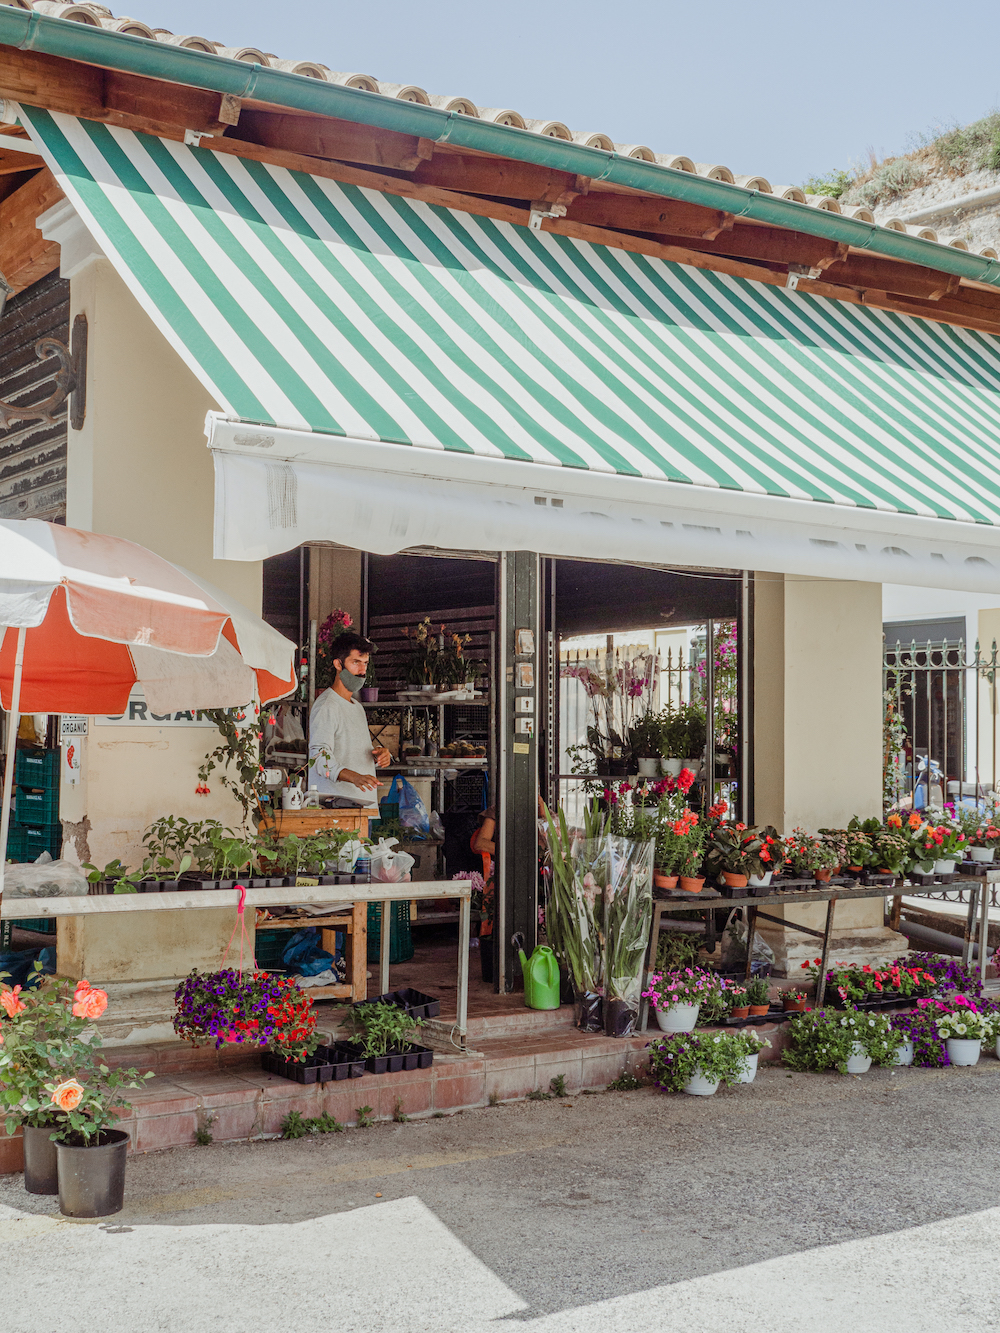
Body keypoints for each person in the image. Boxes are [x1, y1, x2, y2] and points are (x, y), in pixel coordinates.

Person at [308, 632, 392, 806]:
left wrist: (378, 755)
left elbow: (352, 753)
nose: (362, 671)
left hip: (363, 807)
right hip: (335, 808)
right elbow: (318, 758)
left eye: (365, 664)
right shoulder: (327, 706)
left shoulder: (357, 707)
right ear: (338, 664)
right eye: (356, 662)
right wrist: (355, 777)